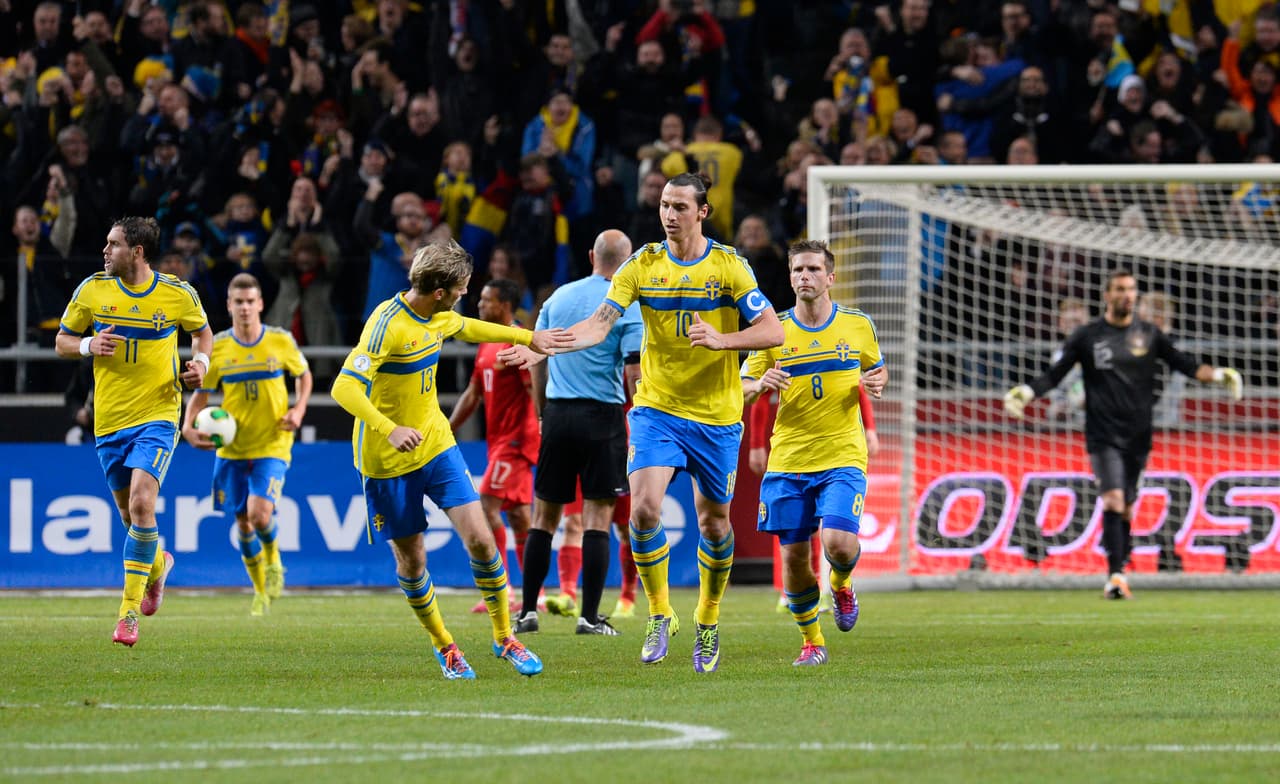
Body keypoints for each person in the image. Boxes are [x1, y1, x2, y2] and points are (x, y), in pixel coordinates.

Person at [501, 173, 794, 673]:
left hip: (717, 415)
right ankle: (660, 614)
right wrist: (542, 344)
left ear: (703, 212)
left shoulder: (728, 267)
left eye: (680, 206)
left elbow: (772, 330)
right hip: (656, 408)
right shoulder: (642, 265)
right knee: (643, 510)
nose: (669, 214)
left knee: (715, 523)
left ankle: (707, 619)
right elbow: (599, 324)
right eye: (664, 204)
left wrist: (722, 341)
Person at [329, 239, 572, 679]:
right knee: (413, 561)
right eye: (461, 288)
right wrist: (390, 428)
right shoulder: (386, 326)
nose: (465, 294)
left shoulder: (438, 315)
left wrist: (528, 336)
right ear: (440, 291)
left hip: (436, 445)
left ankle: (504, 638)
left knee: (480, 538)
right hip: (386, 459)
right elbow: (343, 388)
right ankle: (446, 646)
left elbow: (471, 328)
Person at [1004, 270, 1244, 599]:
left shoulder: (1149, 334)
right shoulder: (1087, 336)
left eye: (1131, 290)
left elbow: (1184, 364)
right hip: (1102, 434)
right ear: (1107, 295)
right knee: (1113, 498)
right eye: (1119, 289)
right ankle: (1115, 576)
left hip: (1138, 436)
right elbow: (1055, 374)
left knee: (1127, 507)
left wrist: (1219, 374)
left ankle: (1121, 570)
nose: (1126, 295)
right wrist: (1027, 392)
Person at [54, 216, 213, 646]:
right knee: (131, 517)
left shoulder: (177, 293)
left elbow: (203, 335)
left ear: (137, 252)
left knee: (144, 503)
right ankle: (158, 566)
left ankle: (127, 615)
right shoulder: (92, 291)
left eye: (113, 244)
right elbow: (62, 341)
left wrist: (200, 365)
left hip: (159, 415)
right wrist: (89, 345)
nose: (105, 251)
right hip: (109, 421)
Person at [741, 240, 885, 667]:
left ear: (830, 278)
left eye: (813, 270)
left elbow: (873, 371)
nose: (804, 276)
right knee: (795, 559)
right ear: (789, 277)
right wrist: (760, 383)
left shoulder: (858, 325)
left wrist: (878, 381)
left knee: (838, 545)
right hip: (788, 460)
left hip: (842, 454)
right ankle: (812, 641)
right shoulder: (772, 331)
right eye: (797, 270)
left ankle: (841, 584)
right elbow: (743, 390)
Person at [509, 229, 643, 637]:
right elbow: (633, 372)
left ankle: (528, 612)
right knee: (598, 519)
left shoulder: (557, 298)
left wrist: (542, 415)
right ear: (628, 263)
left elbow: (535, 359)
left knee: (544, 516)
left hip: (559, 414)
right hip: (602, 416)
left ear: (591, 256)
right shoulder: (626, 306)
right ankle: (589, 617)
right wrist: (638, 422)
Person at [182, 273, 313, 616]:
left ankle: (273, 561)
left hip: (273, 442)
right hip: (232, 447)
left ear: (260, 304)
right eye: (237, 302)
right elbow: (201, 394)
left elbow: (304, 374)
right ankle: (258, 591)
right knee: (242, 521)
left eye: (249, 301)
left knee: (259, 514)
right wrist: (187, 425)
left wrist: (298, 409)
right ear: (228, 305)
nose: (244, 308)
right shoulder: (220, 348)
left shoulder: (280, 341)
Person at [448, 278, 540, 612]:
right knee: (517, 516)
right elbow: (473, 394)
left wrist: (543, 428)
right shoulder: (488, 342)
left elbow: (534, 390)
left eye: (486, 300)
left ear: (504, 306)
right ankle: (536, 593)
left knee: (486, 506)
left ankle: (502, 591)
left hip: (517, 440)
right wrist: (447, 428)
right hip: (498, 440)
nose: (479, 305)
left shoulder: (517, 343)